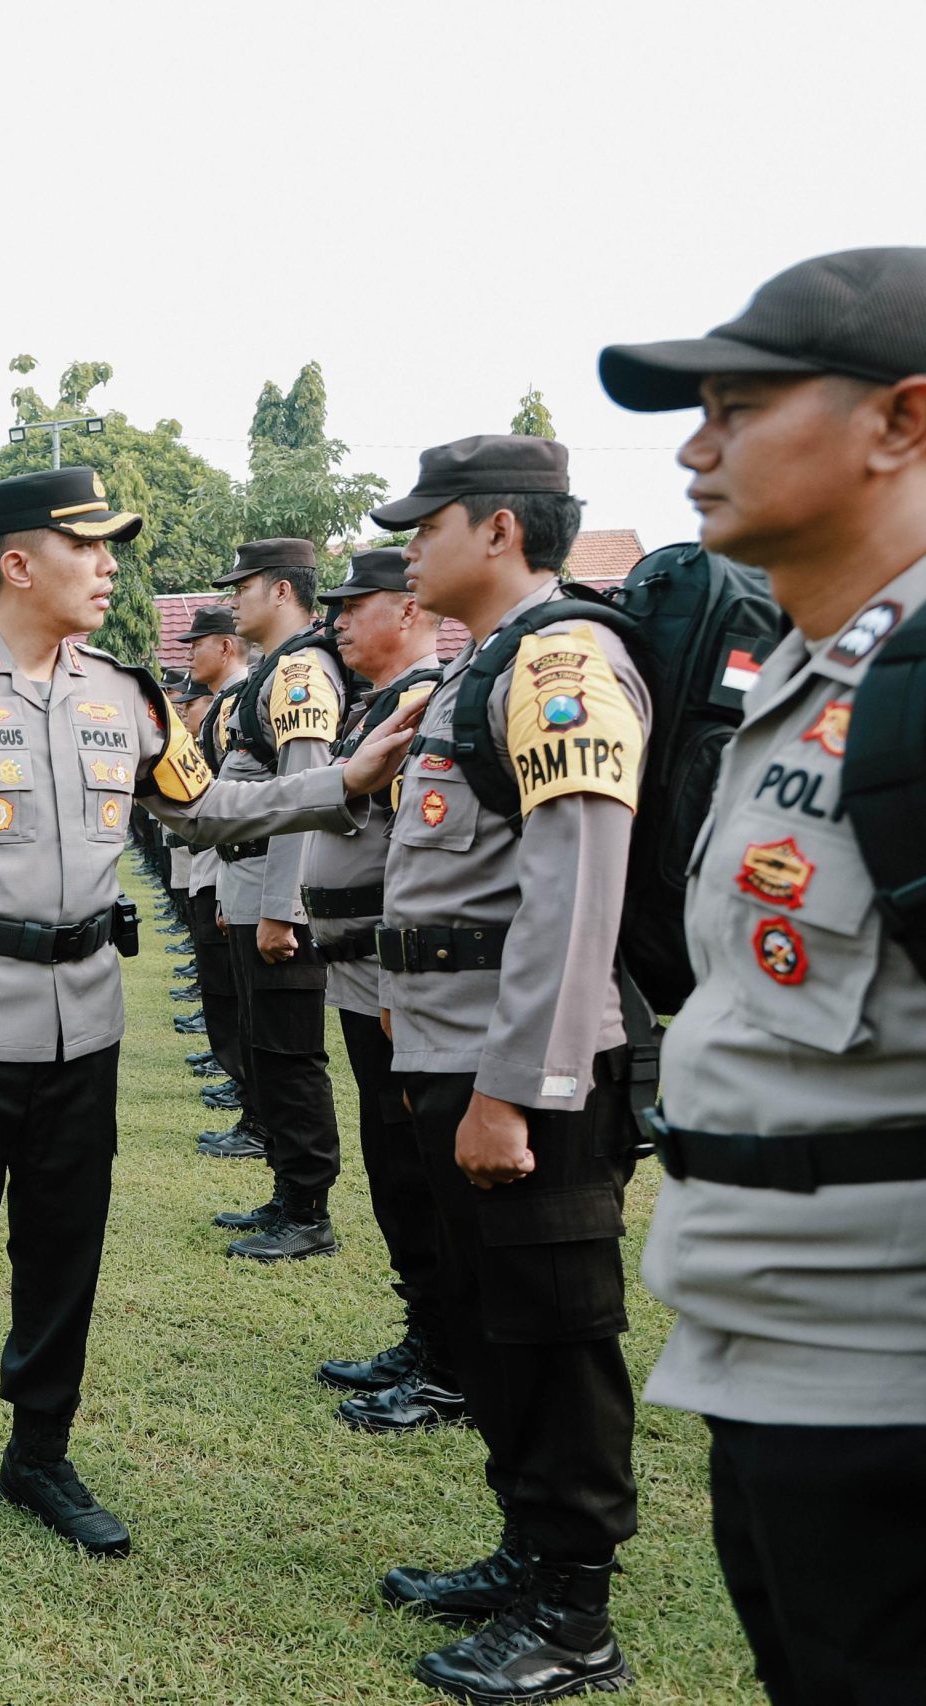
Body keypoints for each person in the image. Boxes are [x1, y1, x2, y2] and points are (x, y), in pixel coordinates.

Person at [0, 466, 417, 1599]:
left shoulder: (125, 696)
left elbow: (202, 809)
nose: (110, 567)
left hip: (84, 1025)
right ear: (18, 561)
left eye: (112, 548)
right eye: (88, 546)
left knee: (64, 1254)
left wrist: (343, 778)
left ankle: (38, 1454)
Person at [602, 247, 926, 1706]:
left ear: (902, 423)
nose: (694, 446)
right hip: (773, 1355)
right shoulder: (809, 672)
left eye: (737, 404)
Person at [364, 437, 648, 1702]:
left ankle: (575, 1612)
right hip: (449, 1048)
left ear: (495, 530)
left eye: (425, 524)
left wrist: (513, 1089)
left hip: (527, 1072)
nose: (407, 546)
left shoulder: (561, 660)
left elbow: (573, 887)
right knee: (497, 1328)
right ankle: (526, 1552)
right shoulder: (484, 664)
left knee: (551, 1327)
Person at [300, 549, 460, 1432]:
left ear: (405, 609)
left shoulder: (425, 699)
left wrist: (399, 973)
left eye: (354, 606)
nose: (339, 623)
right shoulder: (381, 705)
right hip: (362, 974)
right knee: (396, 1170)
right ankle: (426, 1335)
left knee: (416, 1170)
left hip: (394, 974)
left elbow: (419, 855)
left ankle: (449, 1363)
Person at [197, 539, 348, 1261]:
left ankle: (309, 1210)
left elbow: (302, 797)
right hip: (251, 880)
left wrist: (283, 908)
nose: (235, 599)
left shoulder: (303, 672)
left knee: (289, 1052)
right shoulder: (270, 673)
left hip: (278, 889)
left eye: (244, 585)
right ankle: (288, 1191)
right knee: (266, 1046)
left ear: (283, 591)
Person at [177, 607, 258, 1157]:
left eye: (196, 645)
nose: (189, 655)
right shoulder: (229, 703)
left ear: (225, 647)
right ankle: (241, 1082)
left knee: (241, 997)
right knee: (224, 986)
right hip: (217, 860)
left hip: (237, 863)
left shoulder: (240, 700)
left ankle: (251, 1099)